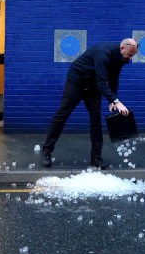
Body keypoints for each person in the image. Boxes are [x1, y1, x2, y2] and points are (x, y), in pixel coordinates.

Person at [40, 38, 138, 170]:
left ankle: (96, 158)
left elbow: (114, 79)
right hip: (77, 82)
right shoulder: (103, 54)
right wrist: (117, 101)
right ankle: (46, 151)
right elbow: (102, 82)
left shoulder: (120, 58)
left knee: (96, 118)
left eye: (133, 55)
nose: (130, 58)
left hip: (94, 86)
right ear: (122, 48)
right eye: (130, 55)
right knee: (62, 114)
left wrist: (112, 100)